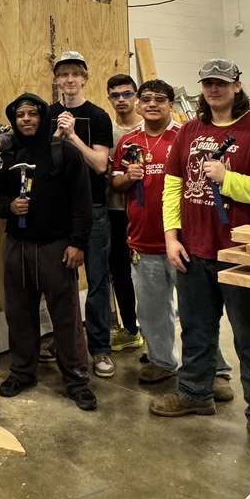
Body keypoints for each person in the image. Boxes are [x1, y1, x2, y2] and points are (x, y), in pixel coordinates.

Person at [149, 59, 250, 459]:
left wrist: (227, 180)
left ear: (237, 86)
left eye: (221, 83)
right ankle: (195, 393)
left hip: (242, 255)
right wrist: (171, 236)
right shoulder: (191, 131)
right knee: (196, 330)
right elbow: (173, 186)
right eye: (208, 84)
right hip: (194, 250)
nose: (213, 90)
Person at [0, 93, 96, 410]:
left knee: (66, 318)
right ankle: (22, 373)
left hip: (57, 248)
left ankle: (77, 380)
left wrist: (77, 244)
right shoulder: (8, 156)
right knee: (19, 315)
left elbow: (82, 203)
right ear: (13, 119)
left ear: (42, 117)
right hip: (17, 247)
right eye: (20, 114)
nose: (26, 119)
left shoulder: (64, 153)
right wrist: (9, 206)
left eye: (32, 114)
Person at [50, 51, 115, 378]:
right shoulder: (48, 115)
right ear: (57, 80)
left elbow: (101, 164)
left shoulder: (98, 117)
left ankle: (100, 348)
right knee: (62, 283)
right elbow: (44, 163)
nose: (70, 80)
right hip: (59, 213)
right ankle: (66, 342)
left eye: (76, 74)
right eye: (64, 75)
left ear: (85, 78)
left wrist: (73, 135)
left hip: (94, 210)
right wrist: (56, 136)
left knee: (99, 282)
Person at [112, 79, 181, 383]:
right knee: (152, 310)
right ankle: (162, 361)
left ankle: (212, 370)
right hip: (142, 239)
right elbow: (115, 183)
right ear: (139, 104)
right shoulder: (129, 142)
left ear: (171, 105)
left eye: (160, 99)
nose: (153, 104)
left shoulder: (184, 138)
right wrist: (128, 176)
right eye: (147, 99)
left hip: (183, 241)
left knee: (196, 313)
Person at [106, 73, 144, 354]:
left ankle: (155, 331)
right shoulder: (106, 130)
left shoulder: (148, 128)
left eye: (127, 94)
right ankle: (130, 329)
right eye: (115, 95)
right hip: (113, 211)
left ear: (136, 96)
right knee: (119, 273)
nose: (121, 100)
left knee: (149, 274)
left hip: (144, 213)